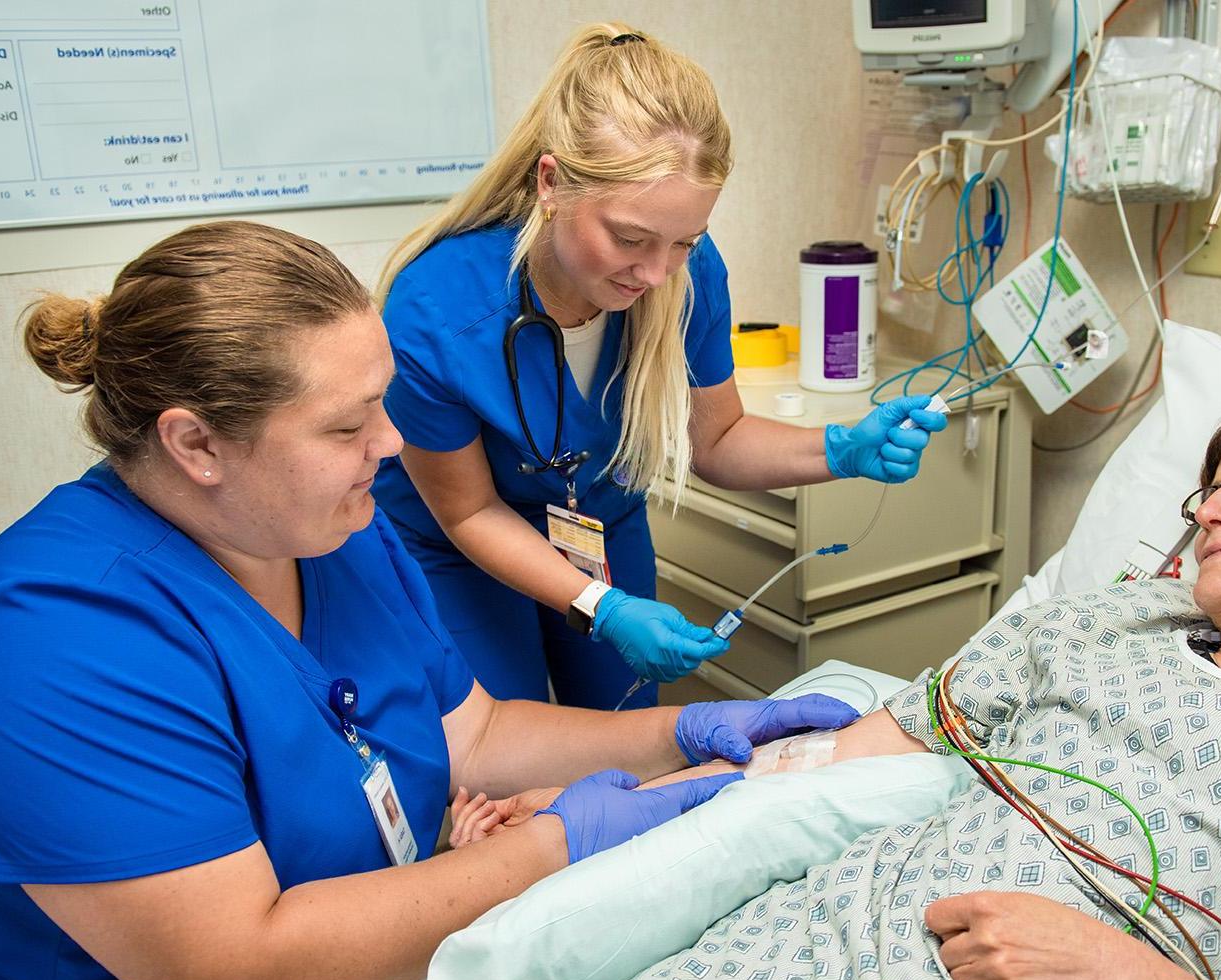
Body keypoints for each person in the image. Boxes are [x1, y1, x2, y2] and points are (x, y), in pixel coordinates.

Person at [0, 220, 859, 980]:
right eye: (347, 424)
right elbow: (238, 974)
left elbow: (475, 734)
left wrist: (686, 732)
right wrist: (559, 843)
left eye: (384, 402)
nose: (393, 441)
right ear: (196, 442)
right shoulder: (49, 637)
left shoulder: (335, 533)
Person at [587, 390, 1221, 980]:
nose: (1208, 510)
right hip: (789, 951)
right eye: (1208, 490)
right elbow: (869, 743)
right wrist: (631, 799)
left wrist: (1119, 978)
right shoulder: (1109, 624)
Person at [372, 22, 948, 710]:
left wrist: (841, 449)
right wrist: (601, 606)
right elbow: (468, 512)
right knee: (504, 750)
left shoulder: (689, 276)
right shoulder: (435, 310)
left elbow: (720, 440)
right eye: (630, 238)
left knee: (620, 733)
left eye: (684, 241)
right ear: (551, 184)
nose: (654, 272)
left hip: (597, 524)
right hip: (460, 544)